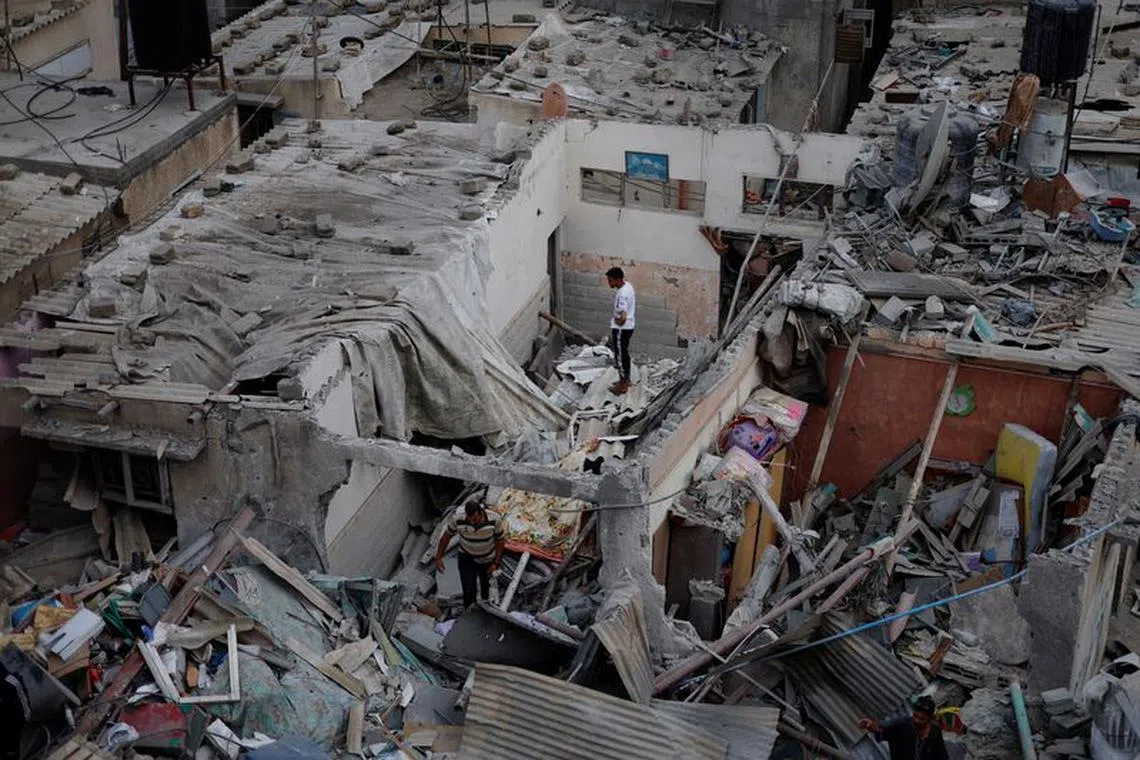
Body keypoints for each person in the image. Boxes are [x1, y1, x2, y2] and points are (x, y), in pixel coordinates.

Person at [435, 500, 506, 608]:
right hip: (467, 557)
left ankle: (485, 609)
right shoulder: (458, 519)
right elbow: (446, 537)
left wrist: (496, 563)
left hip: (487, 558)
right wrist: (438, 557)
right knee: (468, 588)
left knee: (486, 588)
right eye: (470, 519)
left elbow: (500, 540)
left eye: (475, 519)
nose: (472, 522)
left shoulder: (494, 519)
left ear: (480, 513)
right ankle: (469, 609)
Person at [858, 696, 949, 760]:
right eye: (915, 716)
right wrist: (871, 727)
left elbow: (941, 755)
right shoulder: (901, 725)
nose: (916, 720)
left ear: (930, 719)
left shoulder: (935, 732)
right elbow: (881, 729)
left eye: (922, 719)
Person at [606, 266, 636, 396]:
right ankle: (626, 379)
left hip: (621, 329)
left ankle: (622, 385)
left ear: (618, 280)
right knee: (624, 353)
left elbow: (623, 317)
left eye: (610, 280)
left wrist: (617, 322)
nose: (609, 283)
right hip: (629, 326)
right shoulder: (628, 286)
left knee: (619, 356)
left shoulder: (622, 295)